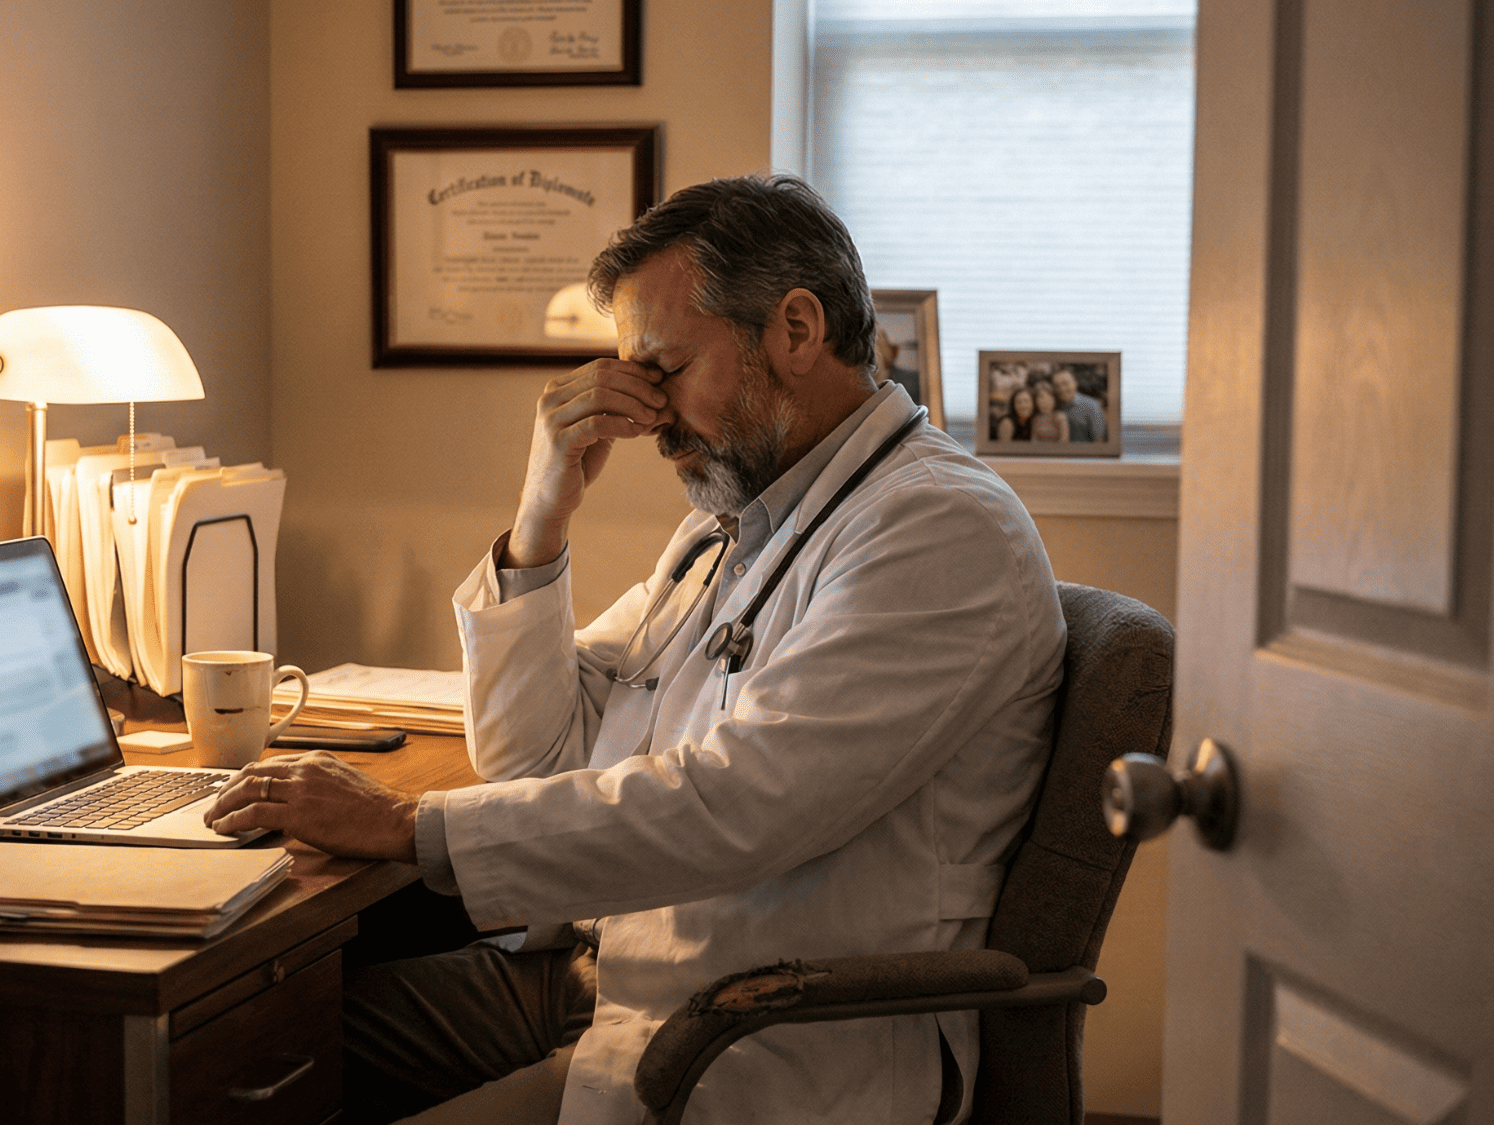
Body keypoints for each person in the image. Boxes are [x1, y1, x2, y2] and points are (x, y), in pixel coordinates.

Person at [202, 174, 1065, 1125]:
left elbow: (737, 806)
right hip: (607, 970)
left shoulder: (938, 529)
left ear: (796, 329)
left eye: (665, 369)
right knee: (227, 1060)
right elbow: (533, 753)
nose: (645, 415)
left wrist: (409, 829)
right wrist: (542, 514)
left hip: (754, 1033)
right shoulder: (733, 524)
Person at [1053, 368, 1107, 443]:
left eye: (1065, 383)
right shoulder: (1054, 406)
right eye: (1057, 386)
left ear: (1075, 383)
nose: (1061, 389)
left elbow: (1099, 440)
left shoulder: (1092, 406)